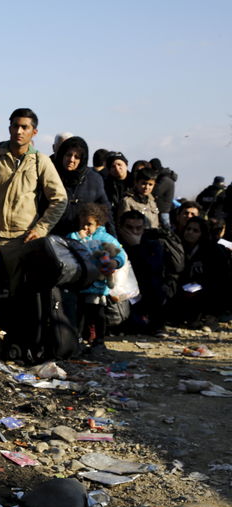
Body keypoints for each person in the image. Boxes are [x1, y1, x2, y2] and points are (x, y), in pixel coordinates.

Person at [0, 108, 67, 294]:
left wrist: (41, 228)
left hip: (22, 240)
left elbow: (60, 199)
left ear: (34, 132)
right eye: (15, 126)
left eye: (24, 127)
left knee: (19, 295)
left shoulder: (40, 161)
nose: (19, 131)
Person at [67, 204, 126, 354]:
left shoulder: (105, 238)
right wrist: (79, 238)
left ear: (98, 223)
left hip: (97, 285)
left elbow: (121, 254)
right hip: (79, 283)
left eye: (89, 224)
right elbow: (68, 248)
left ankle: (99, 340)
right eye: (83, 224)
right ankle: (78, 340)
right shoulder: (75, 236)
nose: (85, 227)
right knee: (79, 313)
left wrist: (114, 262)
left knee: (97, 313)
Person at [117, 210, 184, 337]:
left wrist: (136, 247)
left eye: (138, 228)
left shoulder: (153, 244)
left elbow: (152, 269)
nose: (134, 232)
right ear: (121, 228)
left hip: (145, 289)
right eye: (129, 228)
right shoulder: (115, 243)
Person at [51, 136, 113, 237]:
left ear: (82, 160)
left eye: (77, 157)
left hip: (83, 238)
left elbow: (106, 211)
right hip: (53, 236)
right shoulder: (50, 175)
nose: (71, 159)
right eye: (68, 155)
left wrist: (114, 243)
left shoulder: (94, 179)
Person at [103, 151, 130, 218]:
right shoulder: (105, 185)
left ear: (126, 165)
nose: (117, 168)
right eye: (113, 166)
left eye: (119, 164)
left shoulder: (136, 183)